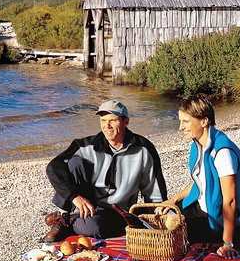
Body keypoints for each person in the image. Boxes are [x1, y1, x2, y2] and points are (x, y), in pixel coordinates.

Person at [44, 99, 168, 241]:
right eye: (103, 121)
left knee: (95, 228)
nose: (106, 126)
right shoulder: (85, 145)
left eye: (112, 121)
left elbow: (153, 189)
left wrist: (156, 220)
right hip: (89, 203)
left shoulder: (144, 150)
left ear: (126, 121)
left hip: (119, 211)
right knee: (73, 163)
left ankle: (69, 221)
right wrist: (74, 197)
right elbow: (54, 166)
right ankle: (63, 217)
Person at [158, 94, 240, 259]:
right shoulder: (200, 144)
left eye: (186, 122)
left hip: (216, 220)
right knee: (161, 215)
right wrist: (173, 200)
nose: (180, 127)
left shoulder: (222, 153)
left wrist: (227, 243)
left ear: (204, 121)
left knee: (167, 234)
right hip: (202, 208)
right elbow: (199, 182)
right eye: (180, 121)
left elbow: (230, 200)